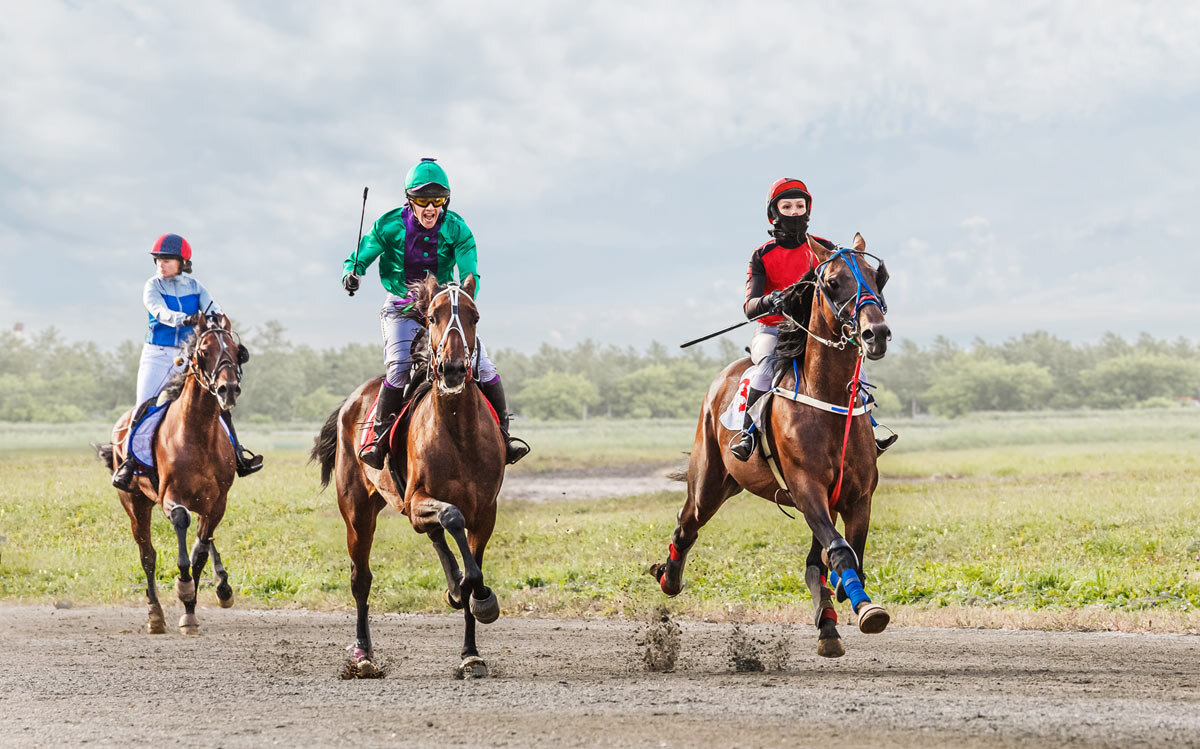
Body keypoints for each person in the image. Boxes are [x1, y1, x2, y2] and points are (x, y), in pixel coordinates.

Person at [342, 157, 529, 468]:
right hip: (402, 307)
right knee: (400, 366)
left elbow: (471, 277)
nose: (430, 208)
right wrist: (352, 272)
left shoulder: (458, 229)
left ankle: (504, 438)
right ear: (410, 201)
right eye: (422, 201)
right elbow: (362, 255)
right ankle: (378, 440)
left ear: (446, 200)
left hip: (444, 309)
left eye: (437, 201)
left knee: (484, 367)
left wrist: (462, 305)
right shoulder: (389, 226)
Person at [730, 178, 897, 461]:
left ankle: (870, 427)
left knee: (857, 371)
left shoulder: (826, 248)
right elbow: (750, 307)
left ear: (807, 209)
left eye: (800, 205)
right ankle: (747, 433)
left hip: (817, 333)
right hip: (773, 332)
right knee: (764, 372)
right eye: (787, 206)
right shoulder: (761, 255)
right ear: (775, 212)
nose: (794, 211)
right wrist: (773, 300)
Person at [111, 234, 263, 489]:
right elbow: (159, 312)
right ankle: (129, 463)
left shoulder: (196, 287)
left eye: (168, 259)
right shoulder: (152, 286)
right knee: (144, 404)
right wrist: (184, 319)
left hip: (190, 355)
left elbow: (215, 309)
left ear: (183, 262)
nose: (162, 263)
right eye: (159, 259)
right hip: (158, 355)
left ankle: (238, 454)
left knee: (216, 403)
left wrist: (217, 322)